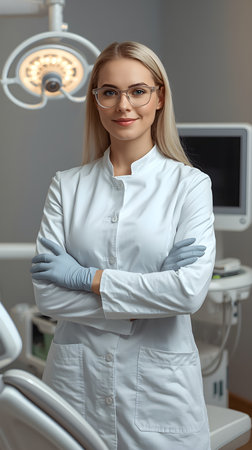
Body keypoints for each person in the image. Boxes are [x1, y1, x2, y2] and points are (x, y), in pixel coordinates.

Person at [31, 41, 216, 450]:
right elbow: (47, 296)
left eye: (137, 91)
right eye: (109, 92)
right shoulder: (67, 185)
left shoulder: (190, 186)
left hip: (159, 393)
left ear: (159, 97)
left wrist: (86, 278)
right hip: (75, 384)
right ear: (96, 100)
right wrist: (152, 290)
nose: (123, 106)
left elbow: (188, 292)